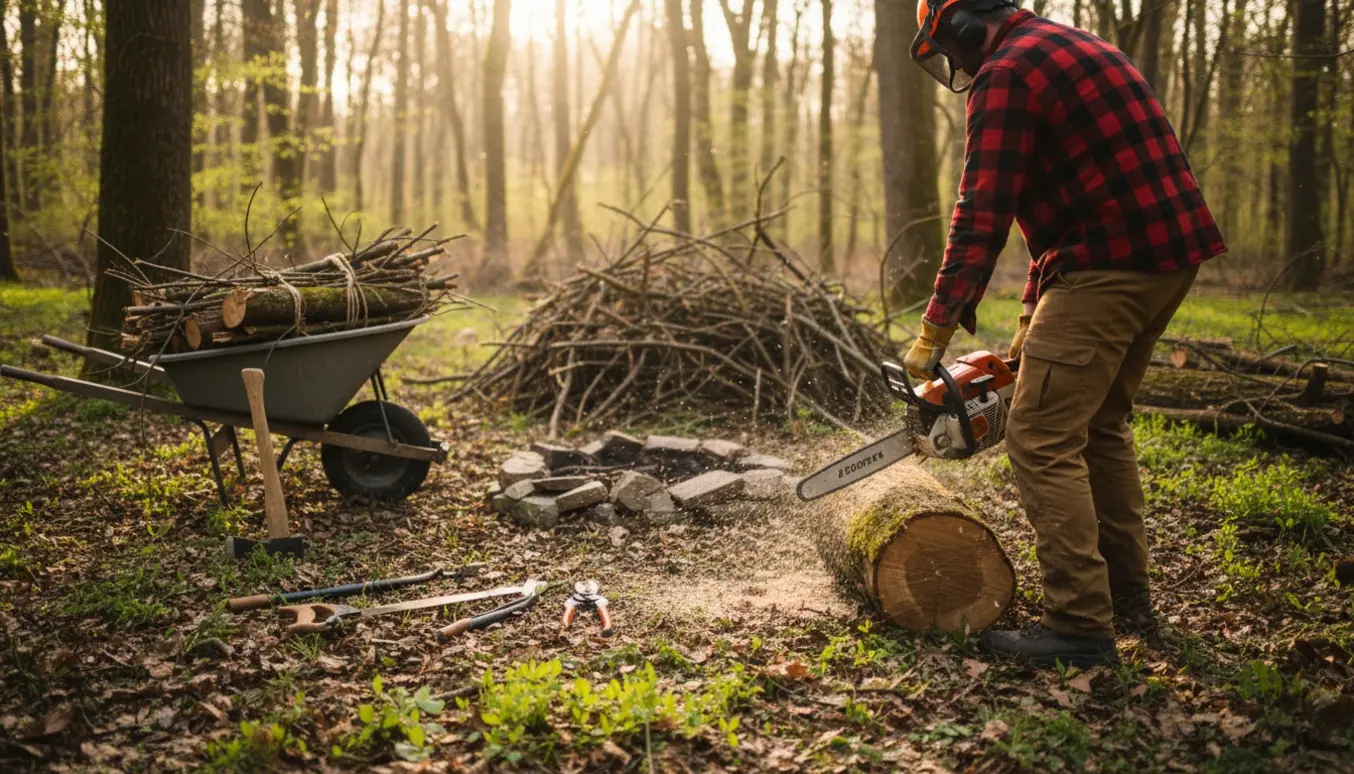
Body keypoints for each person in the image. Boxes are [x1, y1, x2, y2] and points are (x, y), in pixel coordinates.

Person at [902, 0, 1226, 667]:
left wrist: (935, 327)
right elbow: (1063, 207)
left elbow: (982, 207)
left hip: (1109, 263)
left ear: (962, 26)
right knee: (1100, 423)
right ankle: (1127, 598)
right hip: (1167, 257)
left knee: (1041, 437)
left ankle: (1079, 622)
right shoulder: (1080, 48)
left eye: (948, 47)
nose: (955, 64)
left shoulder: (1007, 74)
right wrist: (1030, 318)